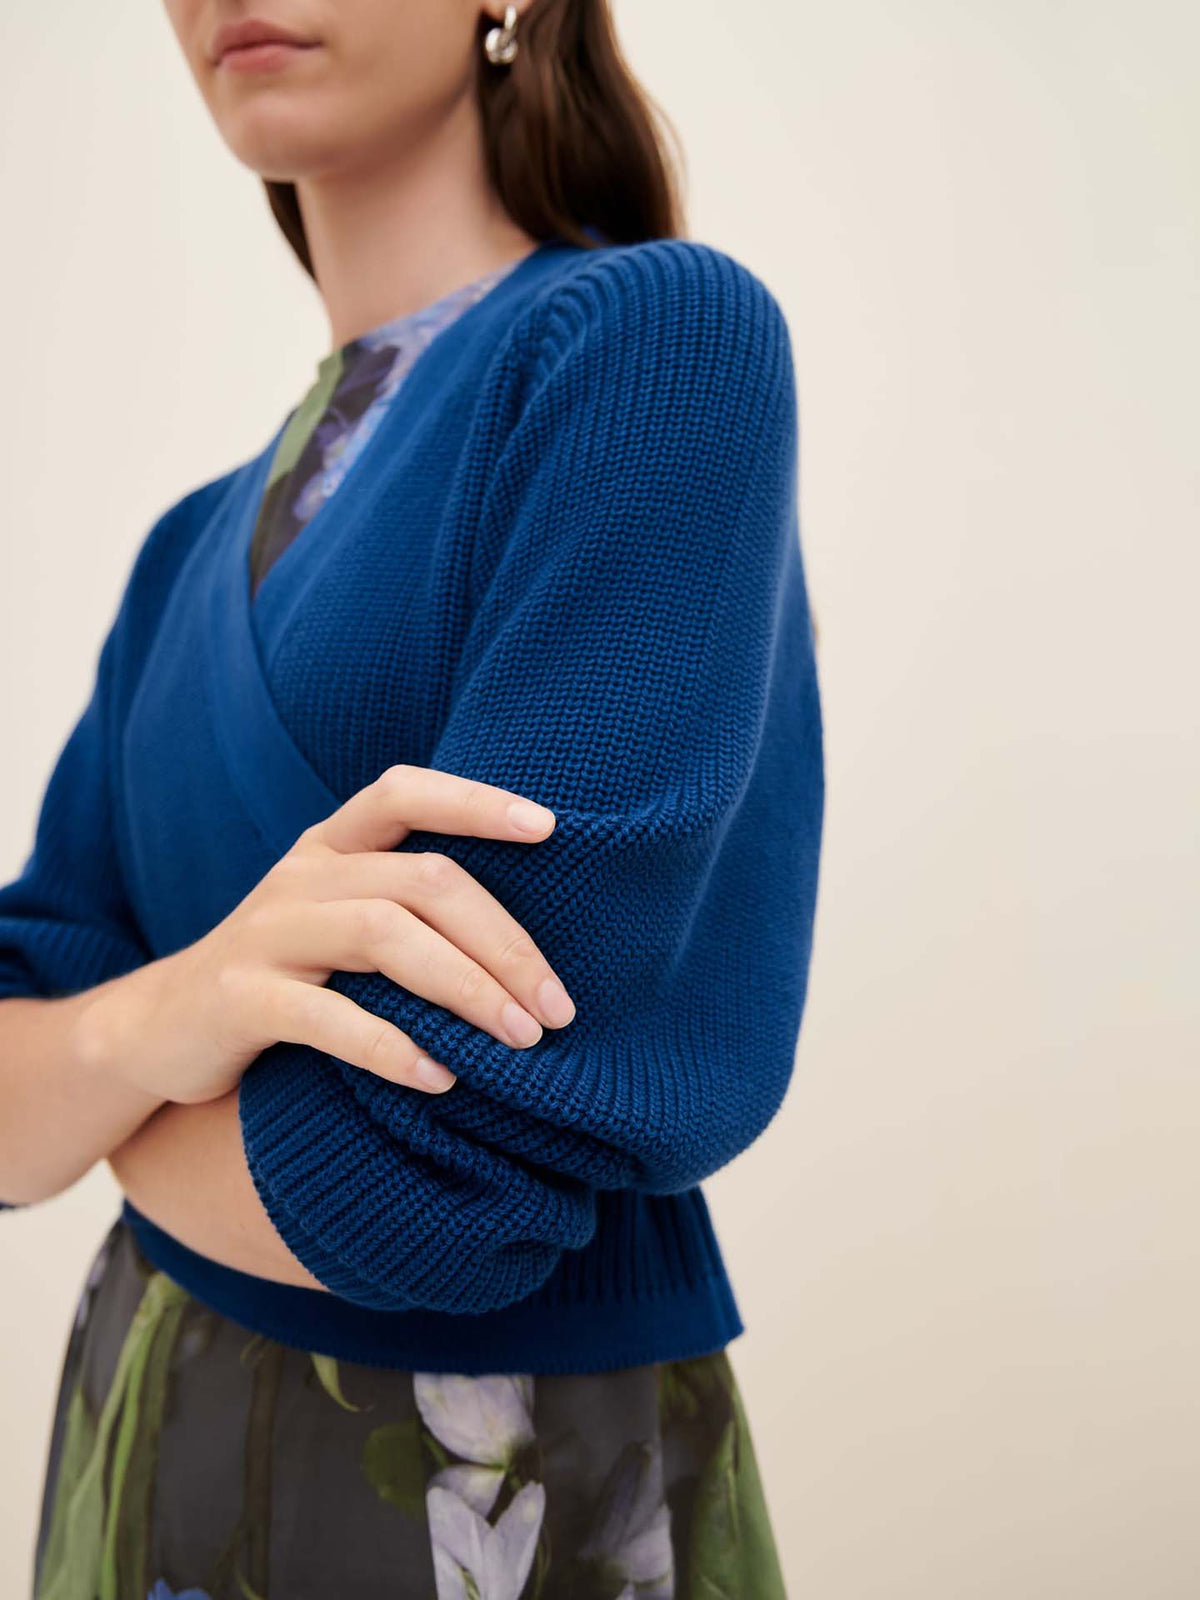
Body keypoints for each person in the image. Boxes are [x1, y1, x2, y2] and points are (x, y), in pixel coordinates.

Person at [0, 0, 825, 1593]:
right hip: (141, 1454)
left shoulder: (653, 344)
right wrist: (151, 1022)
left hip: (489, 1492)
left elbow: (421, 1188)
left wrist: (104, 1112)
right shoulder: (186, 545)